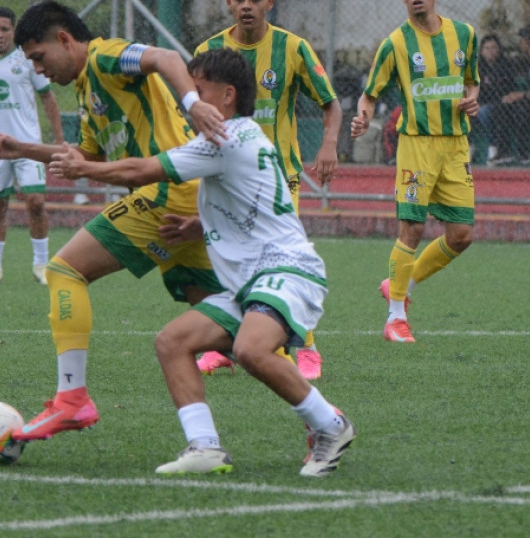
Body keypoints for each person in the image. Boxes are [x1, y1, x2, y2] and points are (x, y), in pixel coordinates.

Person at [41, 48, 355, 476]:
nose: (184, 96)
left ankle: (331, 425)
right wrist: (198, 227)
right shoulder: (241, 135)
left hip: (285, 271)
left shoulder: (222, 138)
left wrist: (84, 168)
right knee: (172, 342)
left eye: (197, 87)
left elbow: (140, 171)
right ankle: (205, 447)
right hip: (253, 280)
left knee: (249, 348)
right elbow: (250, 200)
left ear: (226, 96)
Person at [0, 0, 227, 444]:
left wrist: (192, 103)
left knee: (63, 270)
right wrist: (21, 148)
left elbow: (166, 57)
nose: (38, 70)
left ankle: (72, 399)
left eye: (39, 57)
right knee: (229, 331)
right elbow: (87, 158)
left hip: (166, 191)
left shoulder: (106, 55)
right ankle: (323, 417)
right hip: (188, 201)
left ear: (64, 40)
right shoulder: (85, 88)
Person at [191, 0, 343, 380]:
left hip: (278, 178)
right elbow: (191, 110)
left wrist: (328, 144)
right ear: (228, 3)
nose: (246, 6)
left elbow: (331, 103)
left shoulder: (292, 49)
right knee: (226, 260)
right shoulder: (210, 52)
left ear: (269, 3)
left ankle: (306, 347)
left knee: (280, 259)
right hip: (223, 179)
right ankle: (226, 345)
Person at [350, 0, 480, 343]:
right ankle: (394, 319)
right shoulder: (395, 44)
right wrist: (361, 118)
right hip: (416, 145)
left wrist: (472, 101)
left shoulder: (465, 35)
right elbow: (370, 94)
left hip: (456, 145)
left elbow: (471, 82)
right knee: (412, 227)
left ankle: (400, 284)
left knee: (462, 235)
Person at [0, 7, 64, 285]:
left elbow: (48, 97)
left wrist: (58, 140)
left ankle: (41, 265)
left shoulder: (27, 59)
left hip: (26, 146)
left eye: (5, 29)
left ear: (14, 31)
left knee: (36, 201)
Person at [493, 24, 530, 165]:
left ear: (529, 42)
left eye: (522, 40)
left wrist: (521, 95)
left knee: (521, 108)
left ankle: (524, 154)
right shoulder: (529, 61)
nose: (520, 43)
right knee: (502, 107)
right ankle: (504, 152)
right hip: (528, 102)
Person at [475, 34, 515, 165]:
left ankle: (494, 147)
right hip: (482, 102)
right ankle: (468, 146)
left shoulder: (505, 66)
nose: (490, 51)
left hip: (501, 104)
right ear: (481, 51)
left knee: (486, 112)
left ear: (499, 50)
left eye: (493, 48)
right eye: (487, 48)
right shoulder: (478, 67)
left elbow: (504, 90)